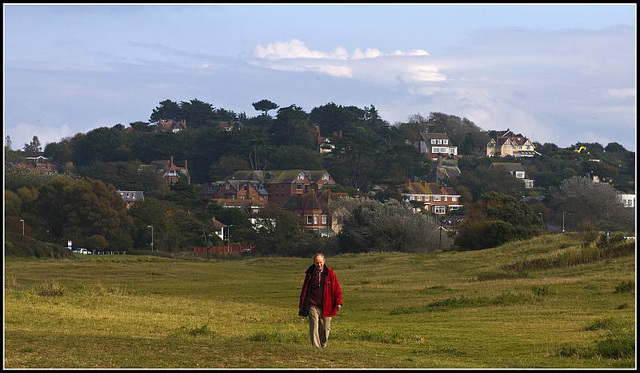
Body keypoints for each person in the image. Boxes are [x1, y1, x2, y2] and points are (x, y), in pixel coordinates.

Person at [298, 252, 343, 348]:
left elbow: (337, 289)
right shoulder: (310, 274)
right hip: (313, 304)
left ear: (324, 261)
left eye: (321, 262)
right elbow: (304, 289)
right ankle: (316, 347)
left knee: (325, 328)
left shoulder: (330, 273)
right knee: (314, 326)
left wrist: (338, 303)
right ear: (314, 263)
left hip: (327, 305)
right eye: (317, 262)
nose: (319, 265)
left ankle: (323, 344)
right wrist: (302, 305)